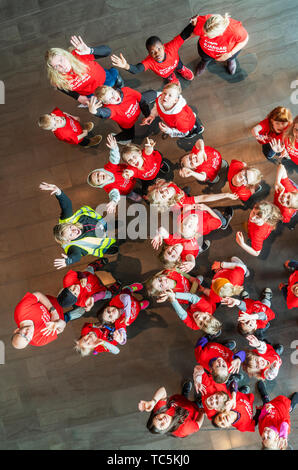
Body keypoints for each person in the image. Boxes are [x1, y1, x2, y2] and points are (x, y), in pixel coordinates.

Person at [39, 182, 117, 269]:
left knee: (110, 225)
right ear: (68, 240)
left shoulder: (67, 220)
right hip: (101, 242)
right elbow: (76, 255)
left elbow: (66, 205)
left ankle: (111, 226)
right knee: (109, 246)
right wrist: (69, 260)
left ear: (68, 224)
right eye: (71, 234)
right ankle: (109, 248)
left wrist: (58, 192)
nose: (74, 231)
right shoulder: (72, 246)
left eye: (70, 227)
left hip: (98, 224)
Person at [45, 35, 123, 106]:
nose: (62, 66)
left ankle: (115, 75)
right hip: (92, 93)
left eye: (61, 60)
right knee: (101, 101)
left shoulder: (78, 54)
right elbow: (62, 88)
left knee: (115, 80)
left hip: (105, 79)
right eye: (56, 66)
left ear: (66, 55)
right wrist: (78, 97)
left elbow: (107, 51)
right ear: (53, 69)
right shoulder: (57, 77)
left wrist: (90, 50)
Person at [111, 23, 195, 84]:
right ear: (149, 54)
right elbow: (137, 69)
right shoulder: (149, 62)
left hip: (176, 62)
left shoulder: (171, 46)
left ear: (163, 46)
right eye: (152, 52)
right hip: (166, 73)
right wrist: (126, 66)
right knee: (168, 75)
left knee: (179, 65)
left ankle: (181, 69)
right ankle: (171, 77)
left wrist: (193, 24)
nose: (157, 53)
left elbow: (184, 35)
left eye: (159, 49)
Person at [87, 134, 142, 213]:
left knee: (137, 175)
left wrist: (114, 149)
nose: (100, 177)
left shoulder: (109, 168)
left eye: (98, 174)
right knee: (129, 194)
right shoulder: (109, 188)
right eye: (98, 180)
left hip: (132, 173)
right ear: (100, 185)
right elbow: (114, 194)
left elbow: (114, 158)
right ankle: (132, 195)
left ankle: (138, 179)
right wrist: (114, 201)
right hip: (126, 190)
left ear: (100, 170)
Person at [88, 85, 154, 143]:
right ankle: (115, 138)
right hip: (128, 125)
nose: (114, 97)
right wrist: (95, 112)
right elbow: (104, 113)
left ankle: (156, 94)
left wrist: (147, 115)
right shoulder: (111, 109)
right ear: (107, 103)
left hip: (138, 109)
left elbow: (141, 100)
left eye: (112, 93)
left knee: (149, 96)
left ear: (113, 89)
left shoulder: (126, 90)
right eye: (110, 99)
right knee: (129, 136)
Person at [57, 264, 121, 322]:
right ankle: (111, 291)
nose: (76, 289)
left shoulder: (67, 280)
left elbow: (77, 273)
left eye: (71, 289)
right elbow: (101, 295)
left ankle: (94, 265)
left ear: (66, 287)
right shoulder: (82, 302)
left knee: (90, 269)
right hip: (96, 288)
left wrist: (82, 276)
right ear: (77, 298)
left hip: (89, 276)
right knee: (108, 294)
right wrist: (93, 298)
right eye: (75, 294)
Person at [138, 384, 205, 437]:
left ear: (156, 414)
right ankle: (199, 401)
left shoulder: (160, 410)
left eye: (158, 418)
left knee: (184, 397)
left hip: (181, 400)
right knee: (200, 402)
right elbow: (197, 425)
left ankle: (185, 392)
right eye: (161, 424)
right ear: (164, 430)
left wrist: (153, 401)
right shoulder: (183, 429)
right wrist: (201, 412)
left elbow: (163, 390)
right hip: (195, 410)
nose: (163, 419)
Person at [146, 178, 238, 212]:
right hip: (181, 205)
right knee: (186, 197)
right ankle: (186, 192)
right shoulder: (182, 201)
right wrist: (226, 195)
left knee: (184, 191)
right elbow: (204, 197)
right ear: (167, 200)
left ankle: (185, 191)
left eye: (160, 191)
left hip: (179, 193)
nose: (164, 192)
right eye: (163, 196)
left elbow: (168, 183)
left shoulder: (162, 184)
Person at [256, 381, 298, 450]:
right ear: (276, 437)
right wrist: (283, 436)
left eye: (263, 438)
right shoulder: (283, 430)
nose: (265, 434)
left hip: (270, 407)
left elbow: (261, 418)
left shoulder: (262, 431)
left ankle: (265, 397)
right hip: (281, 408)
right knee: (288, 407)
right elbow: (284, 424)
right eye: (268, 437)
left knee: (266, 402)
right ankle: (292, 404)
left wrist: (265, 410)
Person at [38, 107, 102, 148]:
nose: (58, 121)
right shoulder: (63, 134)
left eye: (54, 118)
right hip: (78, 137)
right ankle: (89, 143)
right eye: (55, 124)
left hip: (75, 125)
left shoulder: (56, 113)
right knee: (83, 141)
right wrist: (84, 134)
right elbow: (76, 139)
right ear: (54, 129)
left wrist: (73, 117)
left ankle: (83, 128)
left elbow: (64, 113)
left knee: (79, 126)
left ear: (53, 115)